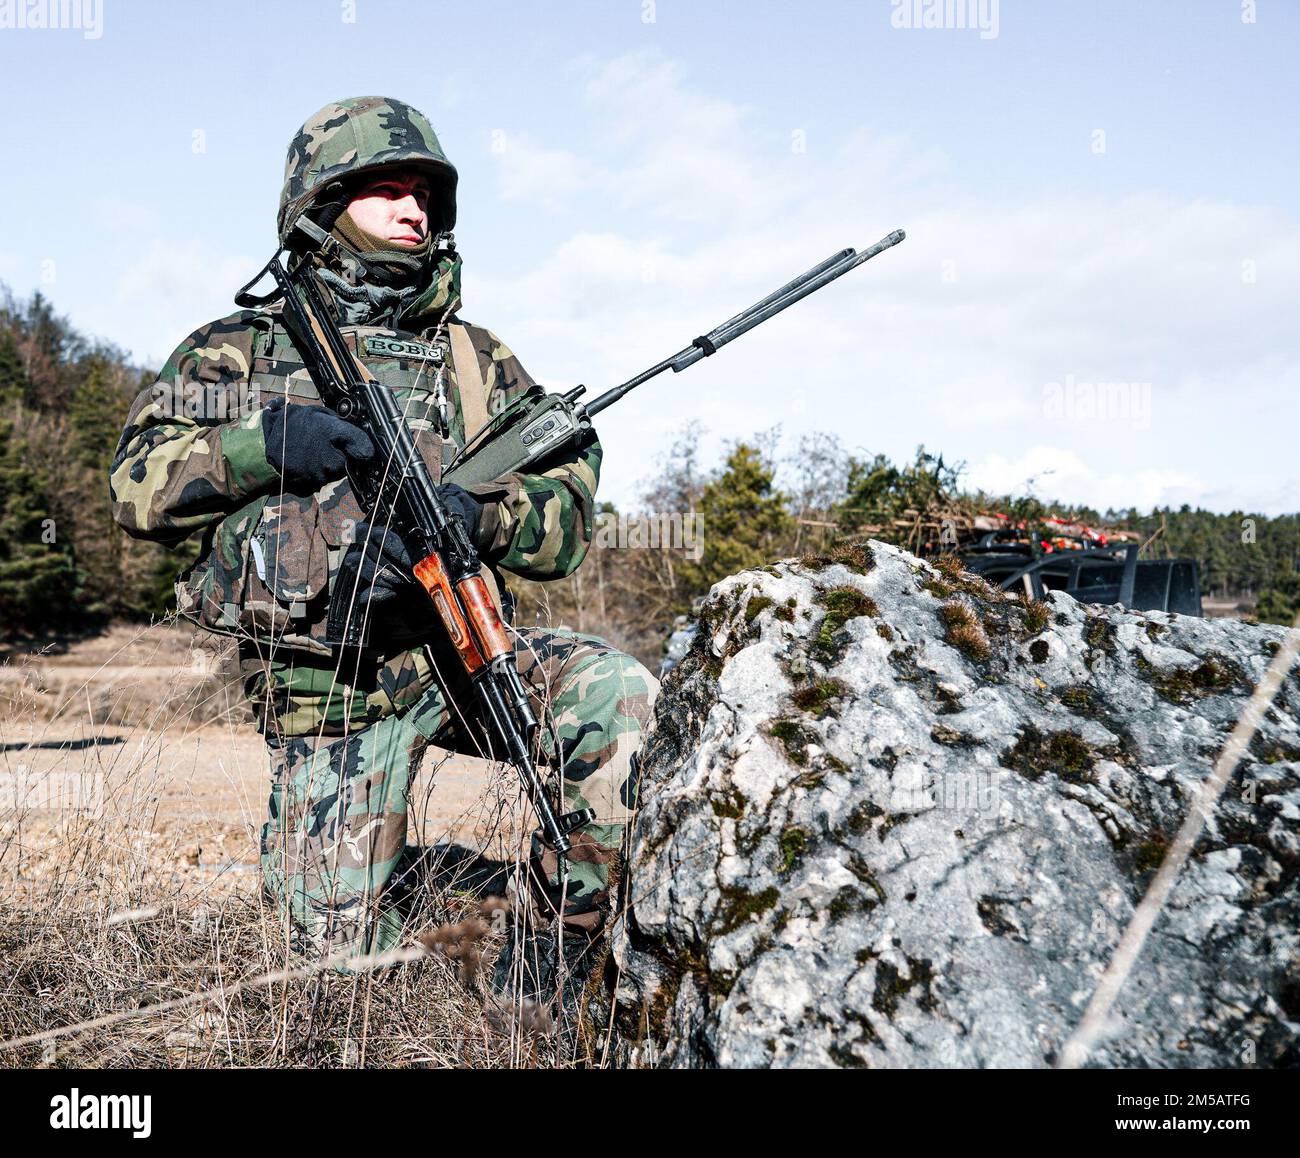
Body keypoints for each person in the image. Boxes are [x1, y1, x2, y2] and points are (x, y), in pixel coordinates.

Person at [109, 96, 659, 987]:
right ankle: (421, 897)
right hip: (327, 686)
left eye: (425, 195)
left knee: (617, 695)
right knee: (333, 977)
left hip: (464, 651)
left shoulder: (475, 360)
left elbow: (566, 503)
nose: (417, 211)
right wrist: (264, 442)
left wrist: (481, 517)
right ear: (322, 206)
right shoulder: (237, 352)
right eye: (388, 190)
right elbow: (136, 486)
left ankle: (557, 963)